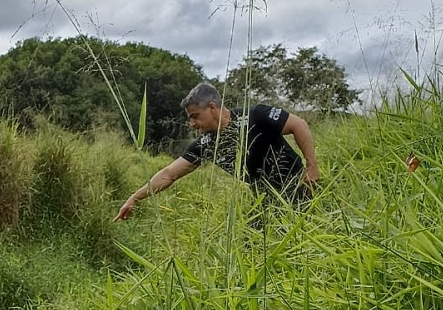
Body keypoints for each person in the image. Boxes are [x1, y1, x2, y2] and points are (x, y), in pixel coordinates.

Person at [114, 82, 319, 221]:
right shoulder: (206, 144)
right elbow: (169, 174)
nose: (192, 123)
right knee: (252, 244)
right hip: (263, 196)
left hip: (297, 186)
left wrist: (312, 166)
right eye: (190, 118)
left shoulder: (256, 115)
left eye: (195, 116)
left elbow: (298, 125)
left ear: (212, 107)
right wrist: (135, 197)